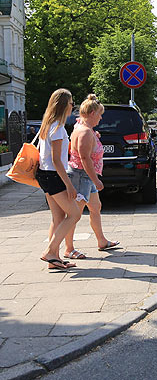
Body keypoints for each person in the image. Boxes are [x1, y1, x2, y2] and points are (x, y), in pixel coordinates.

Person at [63, 94, 119, 259]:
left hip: (86, 176)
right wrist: (95, 179)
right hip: (82, 176)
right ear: (92, 113)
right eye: (100, 114)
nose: (101, 118)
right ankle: (68, 248)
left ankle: (102, 241)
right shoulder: (85, 132)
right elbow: (84, 158)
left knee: (96, 207)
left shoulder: (82, 127)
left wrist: (95, 137)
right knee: (74, 214)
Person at [37, 88, 82, 270]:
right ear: (64, 105)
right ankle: (50, 251)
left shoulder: (49, 125)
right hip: (53, 175)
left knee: (58, 217)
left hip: (45, 175)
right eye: (72, 103)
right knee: (74, 214)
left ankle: (53, 259)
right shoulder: (57, 127)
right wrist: (69, 184)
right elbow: (56, 160)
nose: (73, 106)